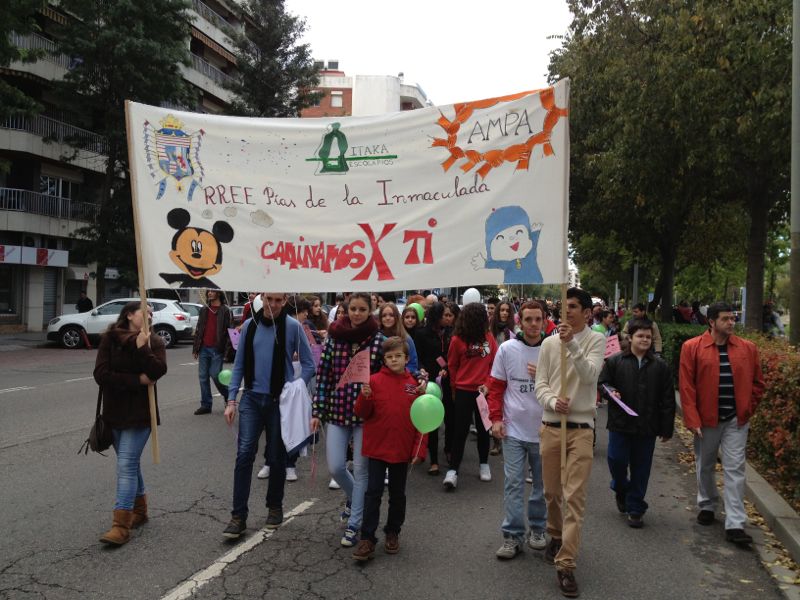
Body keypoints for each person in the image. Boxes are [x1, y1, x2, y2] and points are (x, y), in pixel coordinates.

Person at [221, 293, 315, 539]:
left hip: (278, 401)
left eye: (278, 300)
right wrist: (231, 401)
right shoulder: (250, 326)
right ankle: (238, 516)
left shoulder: (293, 327)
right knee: (244, 455)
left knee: (276, 457)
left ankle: (275, 507)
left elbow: (309, 365)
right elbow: (239, 365)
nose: (273, 304)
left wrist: (296, 387)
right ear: (262, 298)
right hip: (251, 399)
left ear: (284, 302)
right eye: (269, 299)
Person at [534, 287, 605, 598]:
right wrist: (551, 401)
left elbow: (590, 376)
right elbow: (541, 384)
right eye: (564, 306)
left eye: (574, 306)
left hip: (581, 429)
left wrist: (572, 344)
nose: (568, 311)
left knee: (574, 496)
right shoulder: (549, 344)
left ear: (587, 312)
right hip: (551, 426)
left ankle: (566, 564)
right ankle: (554, 533)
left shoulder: (596, 340)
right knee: (552, 493)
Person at [679, 301, 764, 547]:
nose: (731, 323)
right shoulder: (692, 348)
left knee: (735, 469)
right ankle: (707, 504)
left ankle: (735, 523)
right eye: (726, 319)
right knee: (705, 465)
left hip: (736, 421)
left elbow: (758, 383)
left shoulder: (748, 349)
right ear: (712, 321)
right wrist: (692, 418)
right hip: (706, 420)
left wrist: (747, 409)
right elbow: (687, 386)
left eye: (733, 318)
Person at [312, 292, 387, 547]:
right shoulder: (334, 339)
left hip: (366, 414)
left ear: (370, 311)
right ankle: (355, 500)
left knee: (362, 470)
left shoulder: (379, 341)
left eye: (362, 309)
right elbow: (323, 376)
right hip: (337, 410)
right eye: (353, 308)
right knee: (335, 467)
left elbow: (387, 377)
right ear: (346, 310)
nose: (357, 313)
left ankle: (355, 524)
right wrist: (317, 411)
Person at [93, 301, 167, 545]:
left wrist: (143, 349)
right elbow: (101, 374)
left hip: (140, 416)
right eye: (144, 312)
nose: (149, 315)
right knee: (130, 464)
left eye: (151, 313)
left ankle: (120, 525)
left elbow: (157, 371)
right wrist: (137, 380)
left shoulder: (154, 342)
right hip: (114, 414)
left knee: (126, 464)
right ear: (129, 315)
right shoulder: (110, 339)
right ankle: (141, 512)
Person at [351, 337, 428, 561]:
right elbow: (362, 413)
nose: (394, 360)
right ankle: (367, 538)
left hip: (401, 449)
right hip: (377, 447)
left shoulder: (414, 386)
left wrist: (419, 450)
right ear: (384, 359)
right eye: (389, 357)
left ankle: (393, 532)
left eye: (398, 356)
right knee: (373, 493)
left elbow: (422, 421)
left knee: (397, 494)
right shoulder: (373, 382)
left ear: (406, 358)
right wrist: (364, 398)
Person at [598, 318, 675, 528]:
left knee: (641, 468)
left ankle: (636, 507)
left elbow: (668, 399)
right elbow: (602, 383)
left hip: (647, 426)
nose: (644, 340)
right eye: (640, 336)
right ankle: (621, 488)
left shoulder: (660, 366)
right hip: (619, 424)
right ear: (629, 338)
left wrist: (667, 427)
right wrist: (609, 390)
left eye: (648, 337)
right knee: (616, 460)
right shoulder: (615, 361)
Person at [487, 301, 548, 559]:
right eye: (528, 320)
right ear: (519, 322)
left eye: (538, 320)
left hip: (546, 430)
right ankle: (512, 535)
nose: (533, 325)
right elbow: (496, 387)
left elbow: (567, 388)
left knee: (542, 487)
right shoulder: (507, 349)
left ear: (545, 321)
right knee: (513, 484)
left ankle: (538, 528)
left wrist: (544, 376)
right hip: (513, 430)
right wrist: (496, 419)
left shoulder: (553, 350)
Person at [444, 302, 498, 490]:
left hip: (482, 392)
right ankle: (453, 470)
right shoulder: (457, 339)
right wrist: (454, 387)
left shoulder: (489, 338)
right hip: (463, 391)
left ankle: (484, 464)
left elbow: (494, 365)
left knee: (484, 429)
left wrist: (488, 385)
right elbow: (452, 365)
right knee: (460, 431)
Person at [414, 301, 453, 475]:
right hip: (430, 382)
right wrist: (422, 370)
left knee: (450, 418)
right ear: (436, 317)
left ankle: (449, 449)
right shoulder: (421, 334)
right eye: (445, 315)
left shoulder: (451, 333)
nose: (448, 317)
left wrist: (448, 368)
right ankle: (434, 461)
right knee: (433, 419)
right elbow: (417, 357)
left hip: (448, 380)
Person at [193, 289, 232, 415]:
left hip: (217, 349)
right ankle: (206, 405)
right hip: (204, 347)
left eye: (212, 291)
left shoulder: (226, 310)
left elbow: (230, 331)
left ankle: (228, 396)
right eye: (208, 291)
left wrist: (227, 352)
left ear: (219, 293)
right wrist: (196, 348)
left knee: (215, 375)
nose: (209, 293)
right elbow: (199, 329)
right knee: (203, 377)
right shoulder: (204, 310)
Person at [378, 302, 420, 372]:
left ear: (396, 317)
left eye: (391, 315)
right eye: (384, 315)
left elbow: (413, 364)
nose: (387, 318)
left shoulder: (406, 338)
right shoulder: (376, 337)